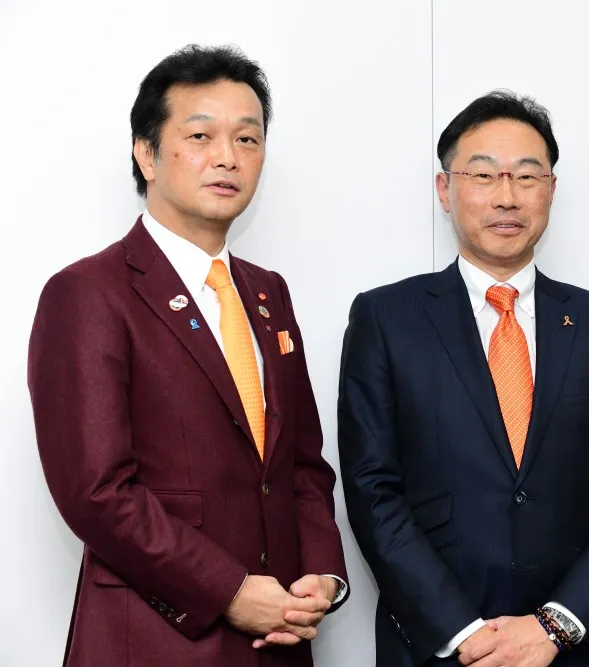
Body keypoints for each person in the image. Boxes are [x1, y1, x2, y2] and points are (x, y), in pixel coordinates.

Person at [26, 44, 349, 667]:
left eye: (248, 139)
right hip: (154, 641)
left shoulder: (268, 293)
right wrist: (227, 591)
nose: (228, 157)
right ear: (146, 154)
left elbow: (302, 466)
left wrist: (322, 576)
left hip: (280, 639)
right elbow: (97, 493)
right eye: (200, 136)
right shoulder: (88, 293)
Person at [337, 90, 589, 667]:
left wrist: (555, 626)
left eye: (527, 176)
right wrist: (463, 633)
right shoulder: (386, 319)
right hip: (436, 649)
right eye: (484, 175)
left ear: (551, 190)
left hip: (576, 649)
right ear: (445, 189)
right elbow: (373, 491)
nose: (507, 196)